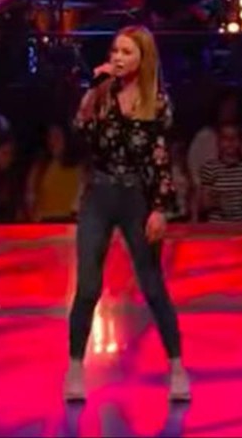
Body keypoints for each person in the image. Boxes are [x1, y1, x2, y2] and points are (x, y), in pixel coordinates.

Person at [65, 25, 189, 401]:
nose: (118, 58)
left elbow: (160, 160)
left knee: (152, 286)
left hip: (137, 195)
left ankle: (177, 368)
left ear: (143, 59)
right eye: (115, 51)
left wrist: (159, 209)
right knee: (88, 287)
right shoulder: (102, 95)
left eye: (127, 52)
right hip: (100, 193)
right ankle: (74, 368)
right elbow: (79, 136)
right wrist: (92, 92)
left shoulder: (158, 103)